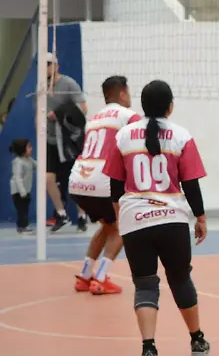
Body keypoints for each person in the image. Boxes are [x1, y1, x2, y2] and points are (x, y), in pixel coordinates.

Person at [102, 80, 211, 356]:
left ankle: (148, 346)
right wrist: (200, 217)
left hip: (135, 220)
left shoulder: (123, 136)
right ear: (170, 107)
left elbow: (115, 185)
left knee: (145, 285)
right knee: (180, 279)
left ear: (142, 106)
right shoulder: (181, 136)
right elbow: (191, 184)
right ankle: (197, 339)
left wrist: (122, 216)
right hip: (172, 220)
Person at [69, 76, 141, 295]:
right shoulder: (129, 116)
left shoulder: (94, 118)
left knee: (108, 226)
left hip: (78, 180)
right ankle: (100, 278)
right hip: (103, 180)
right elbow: (138, 147)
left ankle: (85, 276)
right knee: (123, 226)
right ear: (122, 94)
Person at [41, 53, 89, 233]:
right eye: (43, 65)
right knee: (48, 178)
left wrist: (60, 113)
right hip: (51, 140)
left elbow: (83, 109)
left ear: (56, 66)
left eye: (49, 64)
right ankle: (61, 214)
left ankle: (82, 215)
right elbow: (38, 112)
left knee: (76, 179)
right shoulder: (40, 87)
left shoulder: (68, 84)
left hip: (69, 140)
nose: (46, 68)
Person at [10, 138, 35, 234]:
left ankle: (23, 225)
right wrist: (22, 192)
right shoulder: (18, 162)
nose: (31, 148)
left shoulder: (29, 160)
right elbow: (18, 178)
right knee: (22, 210)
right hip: (18, 192)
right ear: (22, 149)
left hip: (26, 190)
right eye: (29, 147)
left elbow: (37, 166)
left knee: (25, 208)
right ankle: (22, 226)